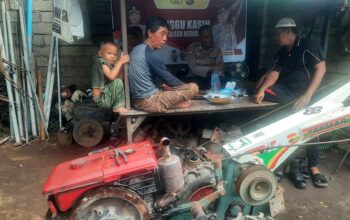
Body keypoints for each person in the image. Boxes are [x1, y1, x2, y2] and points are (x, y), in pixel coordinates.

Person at [255, 18, 328, 189]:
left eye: (277, 33)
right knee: (263, 92)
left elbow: (321, 69)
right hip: (287, 93)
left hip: (307, 94)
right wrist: (262, 88)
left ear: (288, 31)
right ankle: (283, 161)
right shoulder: (282, 52)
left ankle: (314, 168)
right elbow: (274, 73)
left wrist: (307, 96)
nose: (275, 37)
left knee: (312, 128)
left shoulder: (309, 44)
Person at [128, 16, 199, 113]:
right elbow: (168, 78)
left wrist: (166, 87)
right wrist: (186, 86)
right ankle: (173, 104)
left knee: (169, 87)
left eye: (167, 35)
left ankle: (174, 103)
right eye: (162, 34)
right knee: (194, 87)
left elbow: (155, 77)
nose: (165, 38)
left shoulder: (137, 49)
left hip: (137, 100)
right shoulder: (150, 53)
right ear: (149, 33)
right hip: (150, 101)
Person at [91, 42, 129, 113]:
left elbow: (119, 79)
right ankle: (117, 107)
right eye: (109, 53)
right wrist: (120, 62)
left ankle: (118, 105)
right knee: (117, 82)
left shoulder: (109, 65)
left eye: (115, 54)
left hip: (105, 97)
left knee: (118, 81)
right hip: (100, 99)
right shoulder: (99, 60)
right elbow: (111, 76)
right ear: (100, 53)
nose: (112, 56)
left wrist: (122, 65)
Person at [186, 25, 224, 90]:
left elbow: (220, 67)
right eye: (206, 37)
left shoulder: (217, 49)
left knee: (224, 83)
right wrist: (212, 67)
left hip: (211, 78)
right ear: (200, 38)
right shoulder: (192, 48)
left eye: (211, 36)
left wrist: (214, 69)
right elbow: (194, 69)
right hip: (196, 78)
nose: (209, 39)